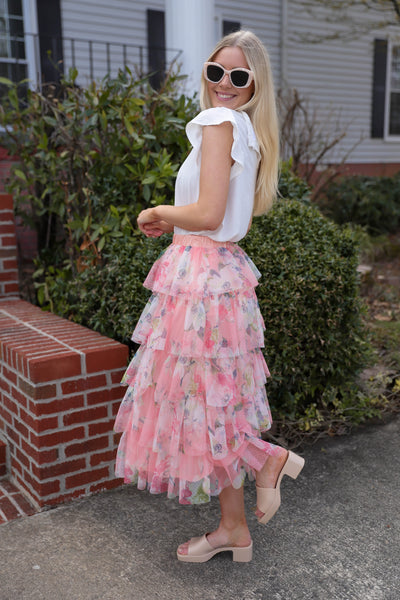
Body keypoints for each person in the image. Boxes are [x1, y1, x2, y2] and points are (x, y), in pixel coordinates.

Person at [114, 29, 304, 564]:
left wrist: (158, 212)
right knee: (211, 399)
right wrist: (176, 225)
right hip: (216, 272)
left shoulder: (220, 123)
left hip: (201, 277)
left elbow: (209, 214)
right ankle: (233, 529)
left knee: (197, 401)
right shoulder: (243, 130)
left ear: (253, 84)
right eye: (215, 72)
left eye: (238, 76)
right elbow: (214, 214)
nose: (224, 83)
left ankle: (266, 460)